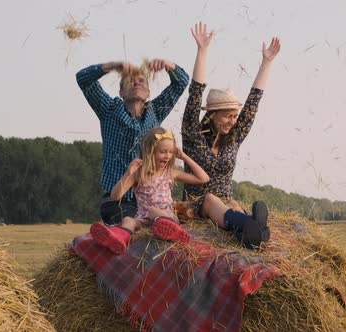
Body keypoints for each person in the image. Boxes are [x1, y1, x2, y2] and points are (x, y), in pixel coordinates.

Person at [181, 22, 281, 249]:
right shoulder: (193, 136)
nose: (233, 121)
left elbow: (253, 103)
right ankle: (250, 225)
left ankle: (250, 231)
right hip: (198, 205)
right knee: (210, 200)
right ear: (213, 115)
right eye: (228, 116)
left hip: (227, 204)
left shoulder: (234, 138)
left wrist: (266, 62)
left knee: (230, 203)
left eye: (235, 116)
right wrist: (202, 51)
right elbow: (194, 95)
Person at [76, 58, 190, 226]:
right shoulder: (108, 109)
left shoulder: (156, 111)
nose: (137, 83)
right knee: (135, 229)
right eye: (130, 81)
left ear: (149, 92)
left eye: (142, 81)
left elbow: (181, 82)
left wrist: (168, 66)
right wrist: (112, 66)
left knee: (161, 227)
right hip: (118, 200)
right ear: (121, 92)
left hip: (147, 200)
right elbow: (83, 79)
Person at [89, 127, 210, 255]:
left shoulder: (170, 173)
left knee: (154, 211)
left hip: (167, 217)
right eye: (163, 152)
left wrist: (184, 157)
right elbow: (115, 196)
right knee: (128, 220)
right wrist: (128, 173)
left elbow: (203, 178)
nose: (168, 156)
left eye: (171, 152)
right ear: (150, 152)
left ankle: (173, 232)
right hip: (145, 220)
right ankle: (118, 239)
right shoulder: (139, 175)